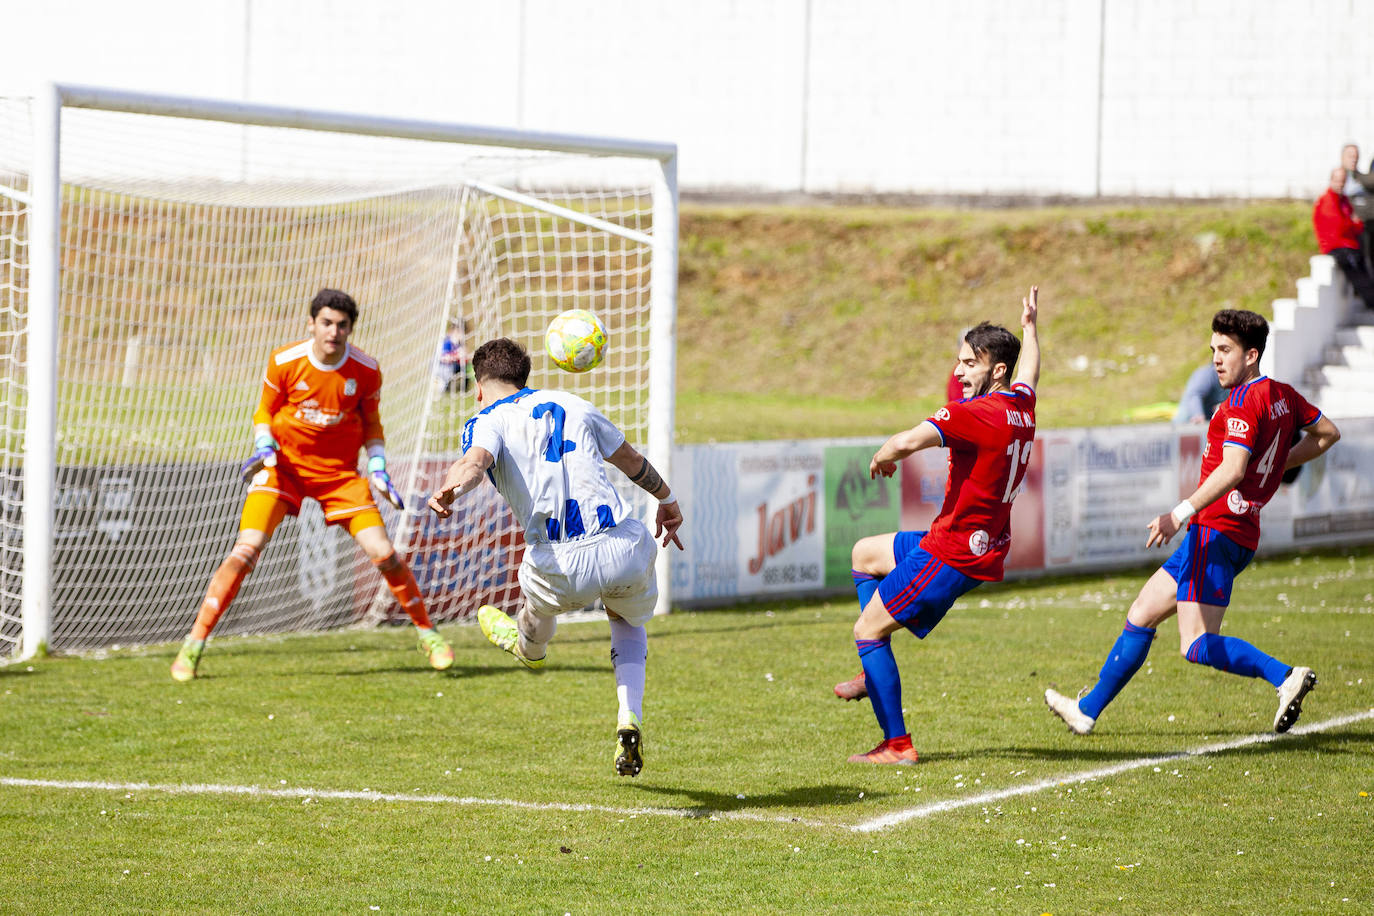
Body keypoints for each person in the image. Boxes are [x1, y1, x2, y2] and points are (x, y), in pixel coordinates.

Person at [1046, 309, 1341, 736]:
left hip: (1216, 531)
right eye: (1213, 350)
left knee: (1197, 644)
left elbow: (1234, 468)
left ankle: (1284, 676)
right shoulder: (1284, 395)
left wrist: (1178, 513)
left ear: (1252, 355)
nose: (1216, 360)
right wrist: (1277, 465)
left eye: (1226, 350)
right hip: (1231, 533)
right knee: (1142, 612)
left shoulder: (1242, 401)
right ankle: (1087, 710)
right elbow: (1328, 434)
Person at [427, 337, 685, 777]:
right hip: (622, 543)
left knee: (534, 621)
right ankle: (628, 716)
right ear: (524, 376)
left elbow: (475, 460)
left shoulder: (486, 418)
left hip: (559, 562)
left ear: (478, 385)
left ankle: (525, 646)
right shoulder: (574, 402)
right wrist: (668, 500)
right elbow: (629, 459)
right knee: (626, 620)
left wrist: (453, 486)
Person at [170, 288, 455, 681]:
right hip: (283, 467)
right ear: (312, 323)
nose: (333, 332)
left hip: (339, 476)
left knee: (385, 553)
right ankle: (194, 644)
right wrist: (263, 444)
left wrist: (378, 467)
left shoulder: (366, 370)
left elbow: (372, 426)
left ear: (351, 329)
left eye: (342, 325)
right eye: (326, 323)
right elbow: (263, 412)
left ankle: (429, 634)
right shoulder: (284, 361)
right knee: (245, 552)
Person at [835, 287, 1041, 765]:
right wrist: (1029, 327)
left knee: (867, 630)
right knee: (864, 554)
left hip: (951, 551)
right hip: (966, 543)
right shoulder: (1021, 405)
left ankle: (898, 744)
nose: (959, 372)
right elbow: (1031, 369)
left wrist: (884, 454)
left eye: (969, 363)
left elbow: (908, 441)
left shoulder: (979, 414)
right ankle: (875, 670)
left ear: (996, 371)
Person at [1314, 165, 1374, 311]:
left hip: (1349, 244)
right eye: (1337, 181)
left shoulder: (1344, 200)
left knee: (1364, 267)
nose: (1340, 184)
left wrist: (1353, 223)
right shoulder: (1328, 200)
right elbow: (1338, 226)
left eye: (1343, 181)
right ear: (1331, 180)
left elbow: (1357, 224)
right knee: (1357, 273)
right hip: (1336, 246)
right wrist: (1351, 222)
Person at [433, 317, 472, 394]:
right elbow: (443, 357)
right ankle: (441, 384)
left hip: (452, 368)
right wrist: (456, 355)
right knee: (441, 388)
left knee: (467, 366)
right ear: (455, 330)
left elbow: (465, 357)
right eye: (461, 332)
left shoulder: (459, 344)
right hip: (442, 368)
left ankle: (464, 388)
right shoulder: (447, 342)